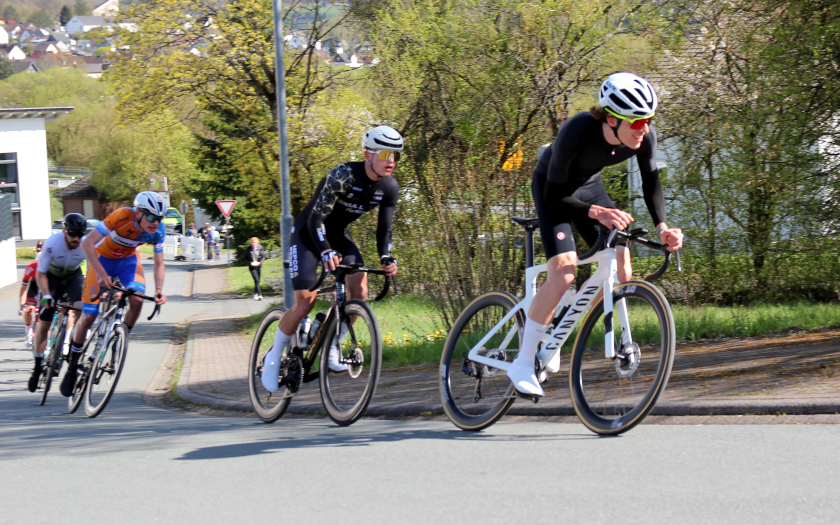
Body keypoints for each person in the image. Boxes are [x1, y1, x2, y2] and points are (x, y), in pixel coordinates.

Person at [507, 72, 684, 398]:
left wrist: (663, 228)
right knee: (563, 273)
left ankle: (560, 330)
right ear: (613, 119)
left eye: (648, 120)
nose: (644, 128)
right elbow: (553, 197)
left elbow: (651, 184)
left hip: (589, 188)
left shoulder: (644, 137)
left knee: (622, 269)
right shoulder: (577, 131)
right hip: (554, 189)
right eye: (636, 122)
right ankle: (522, 361)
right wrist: (597, 213)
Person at [261, 125, 402, 391]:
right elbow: (316, 218)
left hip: (337, 234)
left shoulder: (389, 187)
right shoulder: (343, 175)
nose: (391, 160)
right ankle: (273, 356)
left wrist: (386, 256)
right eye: (385, 153)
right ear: (368, 153)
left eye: (396, 154)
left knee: (359, 291)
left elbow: (384, 230)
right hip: (308, 232)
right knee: (304, 304)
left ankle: (332, 342)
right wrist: (325, 251)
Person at [61, 192, 168, 396]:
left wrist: (159, 291)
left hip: (128, 262)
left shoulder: (158, 231)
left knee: (137, 300)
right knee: (88, 317)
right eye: (152, 217)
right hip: (102, 261)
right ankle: (73, 367)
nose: (156, 223)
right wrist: (101, 275)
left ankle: (120, 337)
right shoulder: (121, 216)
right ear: (139, 213)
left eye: (160, 218)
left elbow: (159, 263)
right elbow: (86, 244)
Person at [27, 214, 88, 393]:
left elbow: (93, 271)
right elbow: (40, 273)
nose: (76, 239)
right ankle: (37, 366)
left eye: (80, 235)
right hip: (51, 278)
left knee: (81, 310)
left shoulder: (85, 245)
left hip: (73, 277)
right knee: (45, 321)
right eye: (72, 235)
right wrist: (46, 295)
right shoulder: (53, 243)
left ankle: (73, 348)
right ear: (64, 232)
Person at [19, 257, 40, 348]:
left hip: (48, 286)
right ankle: (28, 332)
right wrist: (22, 307)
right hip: (34, 287)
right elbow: (23, 289)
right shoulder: (31, 267)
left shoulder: (53, 267)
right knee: (28, 310)